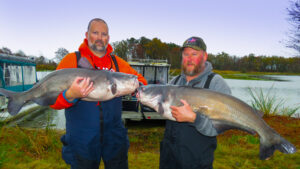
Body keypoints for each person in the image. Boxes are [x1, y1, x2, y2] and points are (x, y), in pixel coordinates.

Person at [50, 18, 147, 169]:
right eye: (95, 33)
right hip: (82, 137)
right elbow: (53, 102)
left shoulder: (118, 63)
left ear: (108, 38)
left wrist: (135, 88)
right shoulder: (71, 61)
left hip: (114, 135)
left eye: (104, 34)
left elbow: (140, 81)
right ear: (87, 34)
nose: (100, 38)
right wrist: (70, 95)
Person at [159, 36, 231, 169]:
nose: (189, 58)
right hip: (168, 159)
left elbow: (219, 127)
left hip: (197, 163)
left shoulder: (216, 83)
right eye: (186, 54)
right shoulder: (173, 82)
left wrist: (194, 118)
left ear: (204, 56)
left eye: (194, 54)